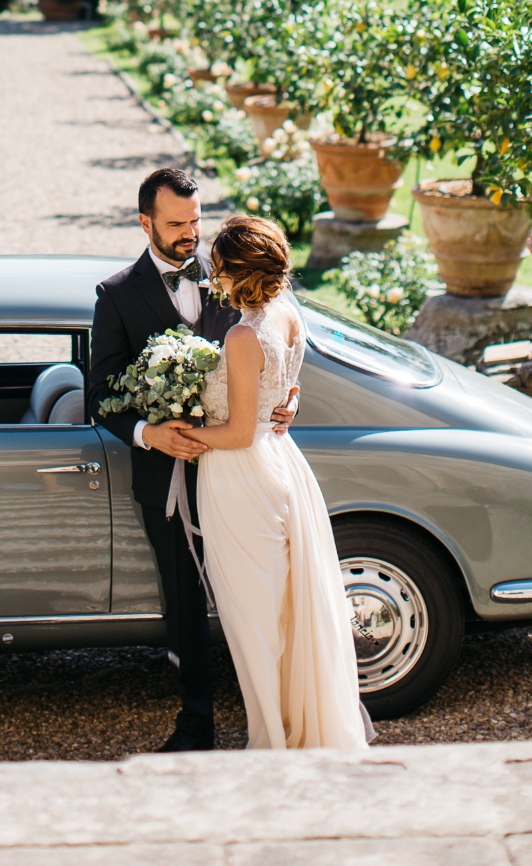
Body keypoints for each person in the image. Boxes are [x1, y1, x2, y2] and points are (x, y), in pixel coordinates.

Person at [87, 168, 297, 753]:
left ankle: (272, 713)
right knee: (184, 604)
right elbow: (98, 393)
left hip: (242, 476)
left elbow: (279, 340)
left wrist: (289, 396)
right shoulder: (117, 295)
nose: (191, 235)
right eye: (177, 225)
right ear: (145, 222)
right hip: (168, 480)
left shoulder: (230, 275)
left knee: (259, 594)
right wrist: (150, 434)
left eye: (196, 221)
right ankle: (196, 724)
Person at [178, 213, 370, 751]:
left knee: (254, 618)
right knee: (284, 607)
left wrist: (185, 430)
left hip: (241, 478)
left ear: (238, 273)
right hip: (282, 463)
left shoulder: (243, 335)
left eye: (217, 268)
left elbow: (237, 433)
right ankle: (293, 726)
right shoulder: (288, 314)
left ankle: (273, 741)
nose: (212, 277)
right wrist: (288, 402)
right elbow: (286, 389)